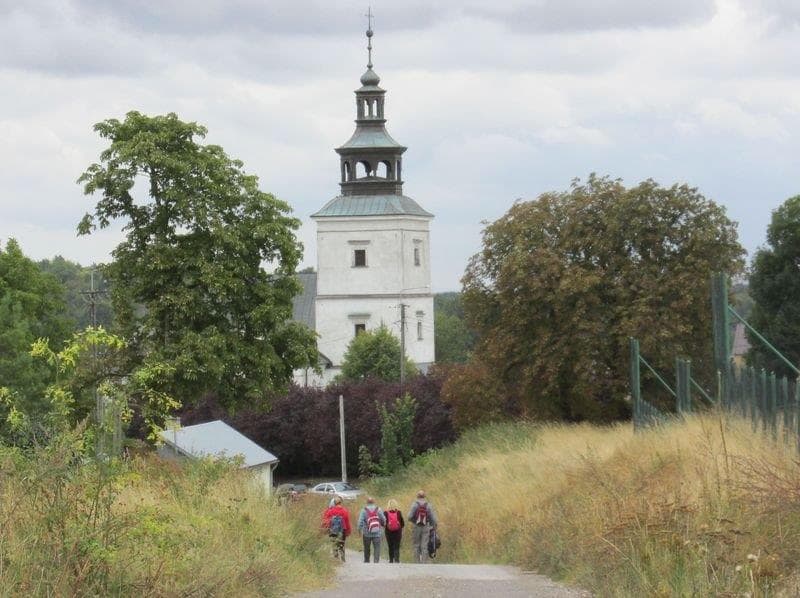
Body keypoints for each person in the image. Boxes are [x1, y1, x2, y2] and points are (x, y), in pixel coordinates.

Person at [407, 489, 438, 564]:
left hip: (416, 526)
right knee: (424, 545)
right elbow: (433, 518)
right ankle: (424, 562)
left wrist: (414, 521)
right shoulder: (428, 505)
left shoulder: (414, 504)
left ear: (417, 496)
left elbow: (409, 516)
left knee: (416, 545)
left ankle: (416, 562)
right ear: (424, 496)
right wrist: (433, 525)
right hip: (426, 526)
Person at [322, 495, 352, 561]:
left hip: (333, 530)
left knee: (334, 543)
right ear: (341, 502)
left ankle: (336, 557)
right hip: (342, 530)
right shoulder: (345, 511)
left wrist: (325, 528)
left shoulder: (330, 511)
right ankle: (342, 557)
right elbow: (347, 522)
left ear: (334, 503)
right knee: (342, 543)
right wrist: (348, 531)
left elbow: (326, 520)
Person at [357, 496, 386, 563]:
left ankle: (367, 561)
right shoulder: (378, 509)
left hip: (366, 533)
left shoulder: (364, 510)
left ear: (367, 502)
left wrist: (359, 531)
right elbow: (384, 519)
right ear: (374, 502)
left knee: (367, 548)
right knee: (377, 548)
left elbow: (360, 522)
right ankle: (376, 562)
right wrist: (383, 525)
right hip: (377, 532)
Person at [384, 498, 405, 563]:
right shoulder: (399, 512)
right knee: (396, 546)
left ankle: (391, 560)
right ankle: (397, 560)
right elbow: (403, 524)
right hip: (397, 532)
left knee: (390, 546)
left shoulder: (385, 513)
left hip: (388, 532)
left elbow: (384, 523)